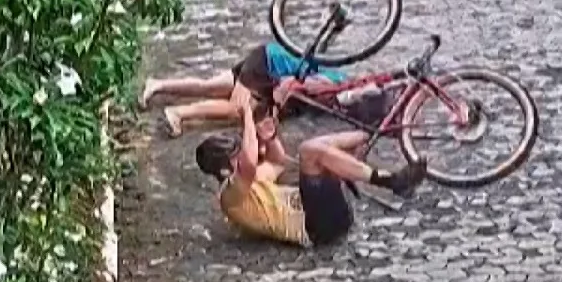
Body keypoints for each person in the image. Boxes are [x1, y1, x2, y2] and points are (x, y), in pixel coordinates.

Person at [194, 88, 427, 248]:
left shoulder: (252, 181)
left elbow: (277, 162)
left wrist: (269, 137)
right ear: (224, 171)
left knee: (320, 147)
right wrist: (246, 116)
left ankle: (377, 130)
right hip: (317, 229)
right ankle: (391, 181)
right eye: (236, 156)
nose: (245, 156)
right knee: (309, 151)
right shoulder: (230, 196)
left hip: (329, 210)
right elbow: (249, 165)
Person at [141, 41, 355, 136]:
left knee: (212, 87)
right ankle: (178, 113)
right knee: (239, 109)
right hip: (269, 65)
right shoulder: (331, 86)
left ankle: (158, 85)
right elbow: (287, 86)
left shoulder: (339, 79)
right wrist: (273, 110)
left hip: (267, 54)